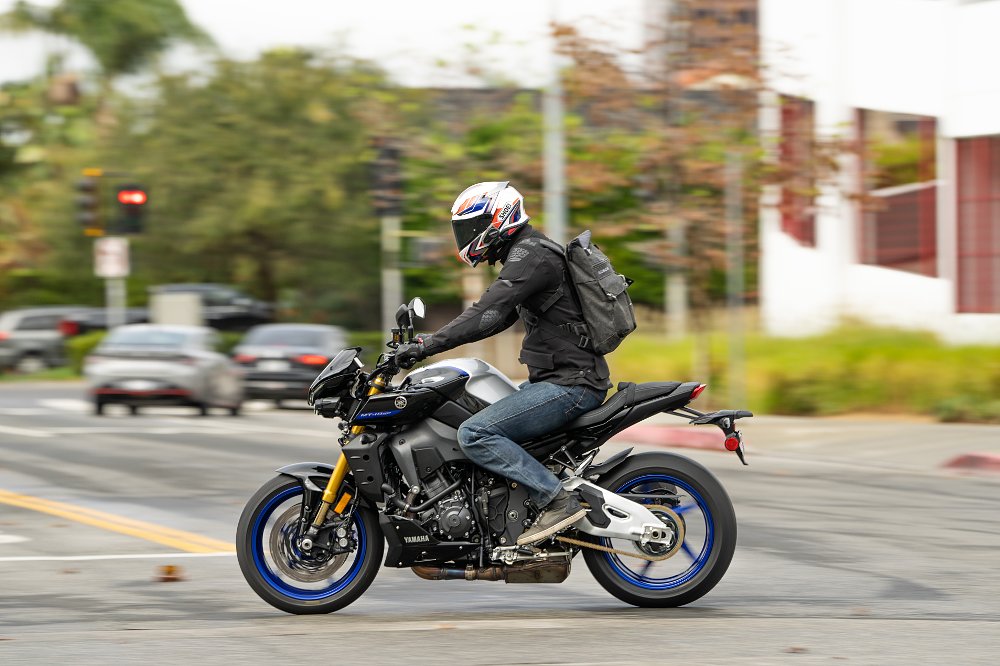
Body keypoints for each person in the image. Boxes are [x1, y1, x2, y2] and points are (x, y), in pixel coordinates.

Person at [394, 181, 611, 545]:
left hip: (571, 385)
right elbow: (495, 318)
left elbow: (487, 309)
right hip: (559, 380)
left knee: (474, 433)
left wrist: (426, 345)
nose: (467, 236)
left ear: (498, 217)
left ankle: (557, 500)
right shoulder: (526, 253)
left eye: (472, 227)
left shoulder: (532, 255)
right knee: (477, 405)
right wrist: (427, 344)